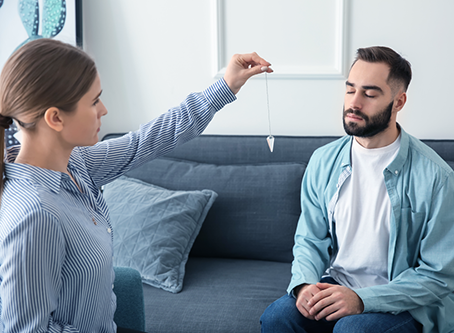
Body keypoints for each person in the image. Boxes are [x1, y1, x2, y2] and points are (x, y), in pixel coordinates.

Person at [0, 38, 272, 333]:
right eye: (93, 101)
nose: (103, 109)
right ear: (55, 118)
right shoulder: (36, 215)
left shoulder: (77, 164)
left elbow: (148, 140)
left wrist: (226, 85)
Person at [260, 46, 454, 333]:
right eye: (350, 90)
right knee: (278, 317)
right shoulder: (323, 160)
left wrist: (363, 300)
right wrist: (304, 286)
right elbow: (310, 239)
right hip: (338, 285)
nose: (355, 102)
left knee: (353, 329)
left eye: (370, 94)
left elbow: (439, 275)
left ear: (398, 102)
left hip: (401, 298)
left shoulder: (436, 176)